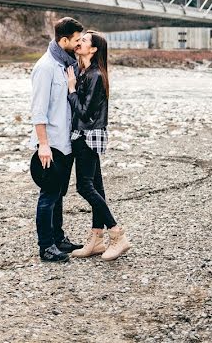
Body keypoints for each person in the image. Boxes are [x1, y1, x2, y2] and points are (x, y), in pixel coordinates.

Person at [66, 30, 131, 261]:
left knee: (84, 187)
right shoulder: (85, 71)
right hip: (86, 134)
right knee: (97, 187)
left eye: (83, 40)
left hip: (87, 135)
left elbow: (84, 112)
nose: (79, 42)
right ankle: (96, 239)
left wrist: (71, 89)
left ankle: (116, 234)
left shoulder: (94, 75)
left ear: (93, 49)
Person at [29, 17, 85, 262]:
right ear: (63, 40)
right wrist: (43, 144)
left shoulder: (66, 64)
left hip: (66, 142)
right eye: (76, 40)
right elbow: (38, 110)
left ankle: (59, 238)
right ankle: (46, 246)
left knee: (59, 194)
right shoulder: (45, 67)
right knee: (48, 194)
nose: (78, 44)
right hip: (50, 144)